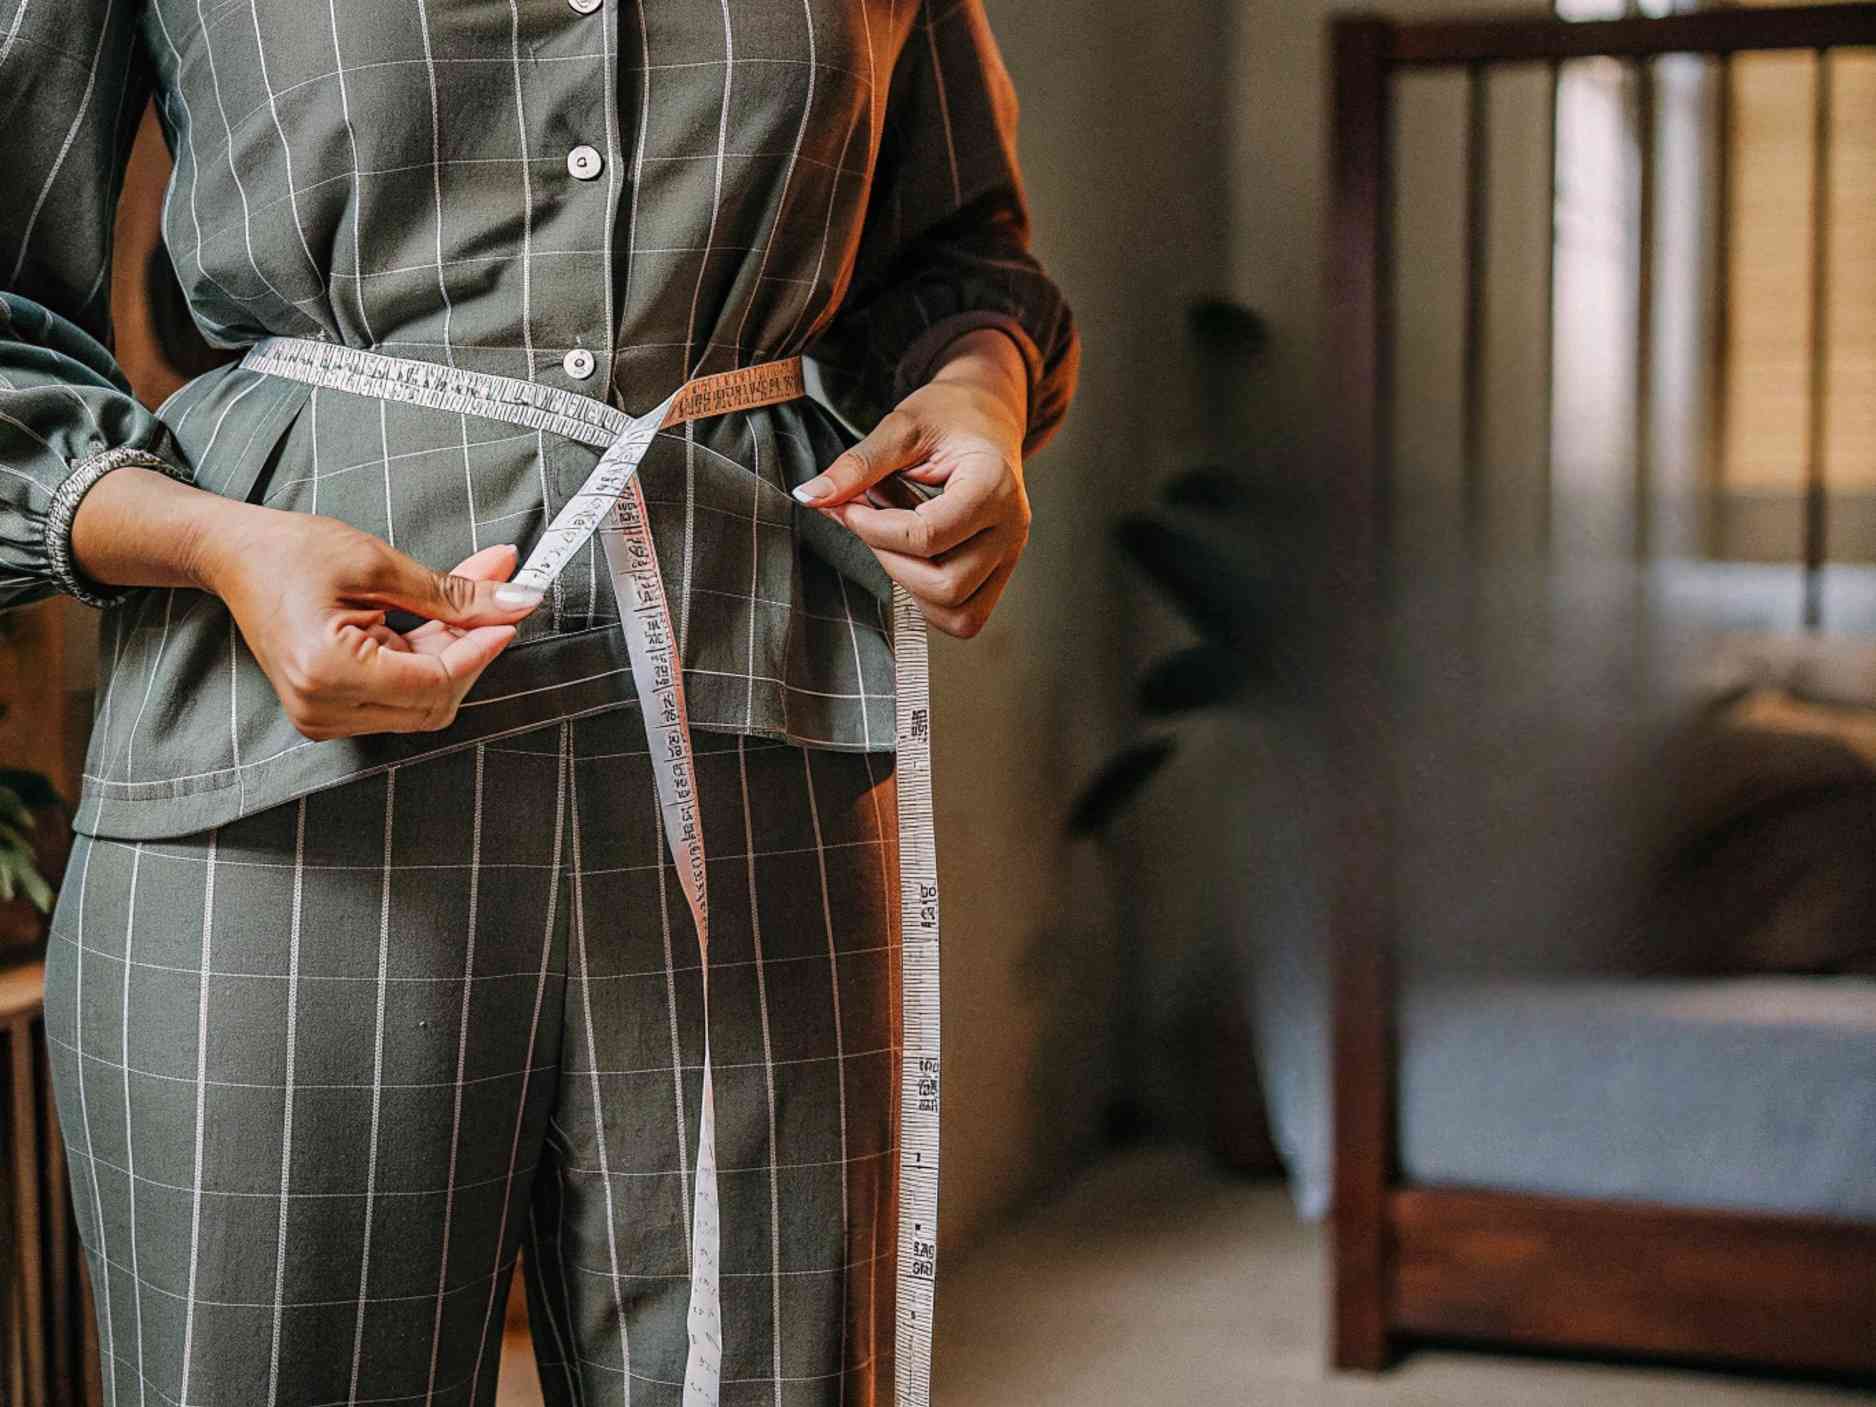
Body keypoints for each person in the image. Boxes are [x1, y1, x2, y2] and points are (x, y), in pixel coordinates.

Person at [0, 2, 1078, 1403]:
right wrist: (208, 539)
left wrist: (981, 389)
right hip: (280, 775)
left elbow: (955, 249)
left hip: (760, 744)